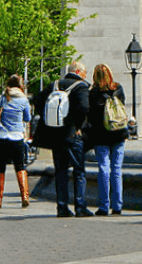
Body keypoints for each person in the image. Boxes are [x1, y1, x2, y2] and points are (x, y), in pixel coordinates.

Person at [42, 61, 91, 217]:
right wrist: (78, 126)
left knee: (61, 172)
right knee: (79, 172)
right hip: (72, 136)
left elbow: (38, 101)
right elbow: (84, 107)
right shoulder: (81, 86)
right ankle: (80, 206)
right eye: (85, 73)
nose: (85, 76)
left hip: (56, 135)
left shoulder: (54, 85)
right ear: (78, 71)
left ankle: (62, 207)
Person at [85, 63, 128, 216]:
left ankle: (104, 206)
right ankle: (117, 205)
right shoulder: (118, 89)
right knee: (117, 169)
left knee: (104, 168)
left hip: (101, 136)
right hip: (119, 133)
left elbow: (89, 116)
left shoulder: (93, 94)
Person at [0, 75, 32, 210]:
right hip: (17, 136)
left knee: (0, 168)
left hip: (2, 136)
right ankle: (24, 197)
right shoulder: (23, 99)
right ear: (20, 85)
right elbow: (27, 117)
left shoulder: (1, 98)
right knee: (20, 166)